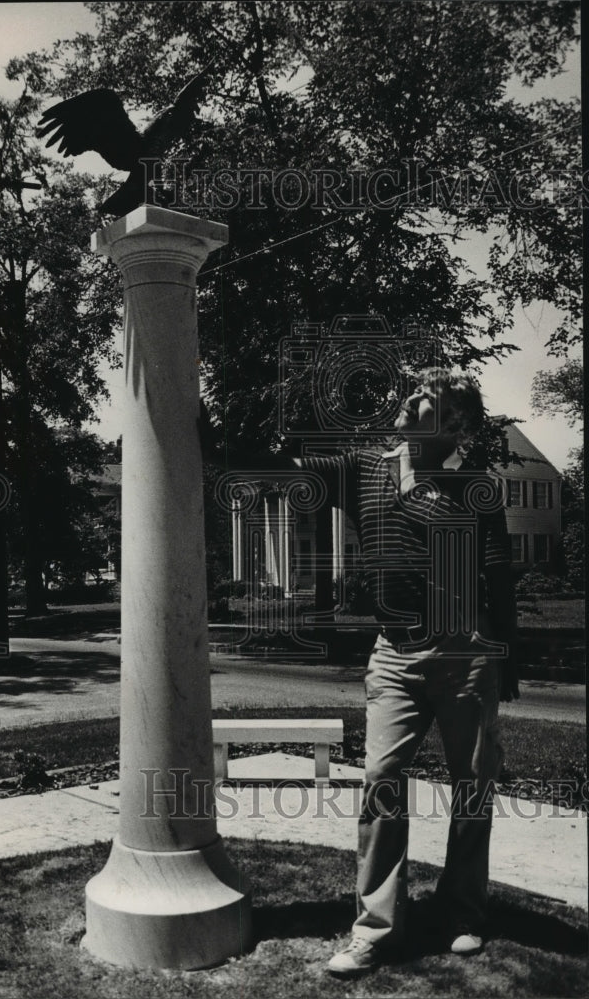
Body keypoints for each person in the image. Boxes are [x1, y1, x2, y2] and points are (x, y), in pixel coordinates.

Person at [203, 366, 518, 974]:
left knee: (472, 786)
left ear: (453, 422)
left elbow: (498, 577)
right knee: (381, 780)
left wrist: (509, 656)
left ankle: (463, 913)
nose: (405, 400)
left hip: (465, 655)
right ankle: (376, 927)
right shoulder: (363, 467)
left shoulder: (475, 487)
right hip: (395, 654)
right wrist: (221, 434)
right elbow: (283, 470)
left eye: (423, 397)